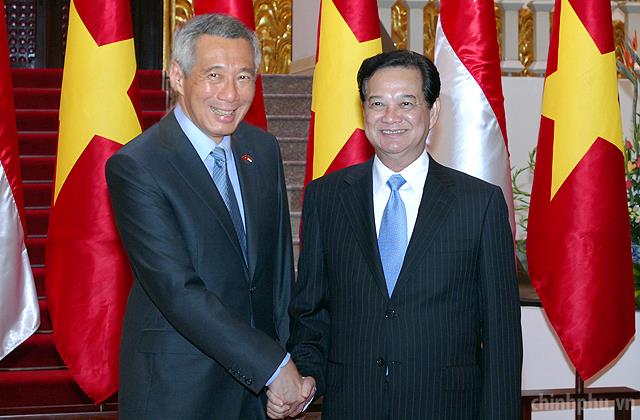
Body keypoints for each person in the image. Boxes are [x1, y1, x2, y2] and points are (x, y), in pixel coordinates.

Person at [274, 50, 523, 419]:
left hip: (446, 408)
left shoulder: (479, 203)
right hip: (353, 406)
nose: (390, 117)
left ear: (432, 112)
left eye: (406, 103)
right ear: (364, 111)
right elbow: (311, 312)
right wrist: (308, 376)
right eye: (377, 103)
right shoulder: (326, 197)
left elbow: (502, 334)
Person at [106, 14, 313, 420]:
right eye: (214, 75)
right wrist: (273, 367)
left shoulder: (262, 149)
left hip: (260, 395)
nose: (230, 94)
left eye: (243, 77)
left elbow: (276, 274)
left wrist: (291, 364)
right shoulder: (139, 165)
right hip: (180, 390)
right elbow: (177, 290)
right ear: (178, 77)